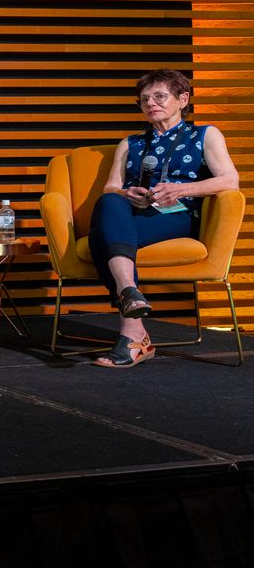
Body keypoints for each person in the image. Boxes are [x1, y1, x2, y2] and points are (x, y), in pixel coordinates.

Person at [89, 69, 239, 368]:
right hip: (132, 213)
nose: (151, 103)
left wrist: (181, 189)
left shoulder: (204, 134)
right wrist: (128, 192)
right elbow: (111, 186)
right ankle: (130, 298)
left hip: (177, 214)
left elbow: (230, 180)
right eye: (144, 99)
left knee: (100, 237)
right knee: (109, 200)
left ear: (183, 99)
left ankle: (133, 331)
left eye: (159, 96)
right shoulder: (130, 143)